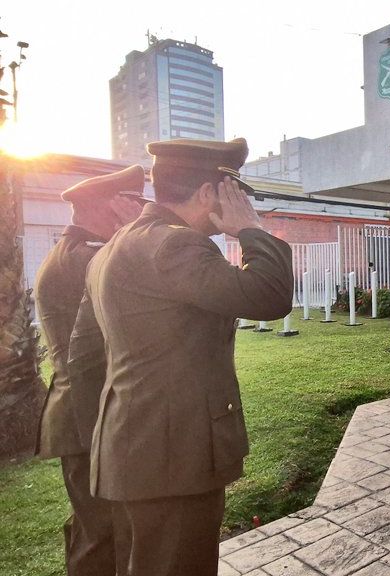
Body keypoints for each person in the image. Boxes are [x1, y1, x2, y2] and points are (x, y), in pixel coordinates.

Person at [76, 138, 293, 576]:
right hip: (172, 455)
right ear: (209, 193)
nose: (238, 202)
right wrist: (251, 230)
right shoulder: (175, 245)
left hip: (138, 448)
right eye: (231, 191)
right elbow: (269, 295)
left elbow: (84, 354)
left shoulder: (122, 243)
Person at [34, 165, 147, 576]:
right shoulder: (87, 258)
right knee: (102, 533)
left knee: (93, 528)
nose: (137, 212)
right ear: (106, 206)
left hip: (83, 413)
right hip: (88, 418)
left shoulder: (75, 252)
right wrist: (136, 234)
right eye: (130, 203)